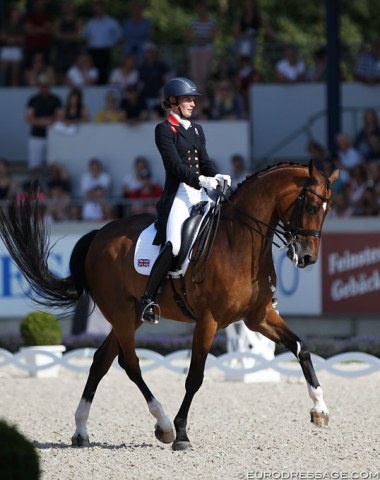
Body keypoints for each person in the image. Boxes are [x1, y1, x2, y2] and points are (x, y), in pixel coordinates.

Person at [138, 76, 231, 324]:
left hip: (200, 192)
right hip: (179, 194)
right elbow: (176, 167)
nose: (192, 103)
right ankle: (148, 298)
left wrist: (216, 175)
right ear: (173, 102)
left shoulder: (197, 129)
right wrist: (202, 180)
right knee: (175, 245)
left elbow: (205, 162)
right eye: (188, 99)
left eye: (193, 99)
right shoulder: (164, 130)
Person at [25, 72, 63, 169]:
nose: (43, 88)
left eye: (45, 85)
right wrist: (45, 122)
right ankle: (34, 185)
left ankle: (51, 184)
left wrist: (44, 121)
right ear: (38, 86)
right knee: (34, 166)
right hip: (36, 136)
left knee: (53, 165)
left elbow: (60, 116)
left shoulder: (56, 99)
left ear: (49, 86)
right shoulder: (33, 100)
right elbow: (29, 118)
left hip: (53, 135)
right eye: (41, 85)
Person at [82, 1, 122, 85]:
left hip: (106, 50)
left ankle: (104, 88)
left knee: (105, 71)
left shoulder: (111, 21)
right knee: (93, 71)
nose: (98, 10)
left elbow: (119, 35)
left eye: (99, 8)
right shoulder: (90, 23)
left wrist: (115, 44)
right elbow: (85, 36)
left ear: (103, 9)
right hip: (93, 50)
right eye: (96, 9)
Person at [184, 2, 218, 93]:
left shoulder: (211, 22)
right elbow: (186, 35)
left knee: (204, 73)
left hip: (207, 49)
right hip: (195, 50)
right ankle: (196, 92)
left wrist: (205, 39)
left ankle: (201, 92)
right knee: (194, 73)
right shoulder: (194, 22)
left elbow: (215, 35)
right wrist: (196, 39)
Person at [52, 2, 82, 85]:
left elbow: (78, 36)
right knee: (60, 70)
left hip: (73, 50)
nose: (68, 10)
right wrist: (70, 36)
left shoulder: (77, 21)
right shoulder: (59, 20)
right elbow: (55, 34)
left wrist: (63, 35)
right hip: (61, 50)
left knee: (73, 70)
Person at [23, 0, 54, 70]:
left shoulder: (48, 16)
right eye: (38, 2)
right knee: (29, 67)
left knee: (46, 67)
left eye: (41, 2)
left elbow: (47, 30)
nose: (39, 4)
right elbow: (28, 30)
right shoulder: (28, 16)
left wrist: (33, 29)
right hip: (31, 46)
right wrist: (41, 29)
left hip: (44, 46)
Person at [121, 0, 152, 66]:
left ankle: (141, 68)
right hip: (130, 43)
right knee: (126, 49)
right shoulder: (127, 22)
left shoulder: (146, 22)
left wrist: (134, 35)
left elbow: (146, 34)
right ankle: (126, 67)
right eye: (134, 8)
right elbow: (125, 35)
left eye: (138, 8)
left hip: (142, 43)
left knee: (143, 52)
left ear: (141, 9)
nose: (136, 10)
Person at [0, 5, 24, 86]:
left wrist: (10, 39)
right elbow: (2, 36)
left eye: (17, 13)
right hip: (6, 49)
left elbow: (22, 38)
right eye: (14, 13)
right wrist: (13, 39)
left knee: (15, 72)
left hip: (16, 49)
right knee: (3, 70)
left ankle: (14, 87)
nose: (16, 14)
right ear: (10, 14)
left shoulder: (21, 25)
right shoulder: (5, 23)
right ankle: (2, 86)